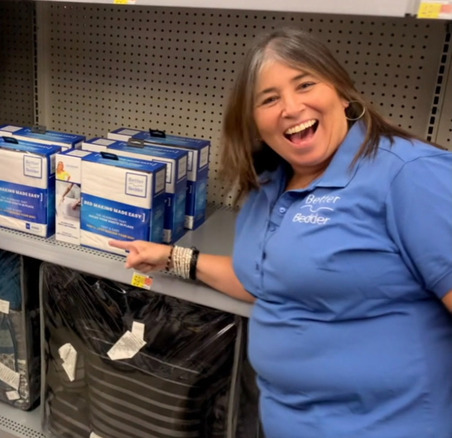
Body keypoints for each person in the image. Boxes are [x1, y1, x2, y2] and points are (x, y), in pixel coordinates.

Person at [110, 28, 452, 438]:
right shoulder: (270, 184)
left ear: (343, 93)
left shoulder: (409, 174)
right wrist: (172, 258)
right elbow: (269, 280)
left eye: (305, 85)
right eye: (269, 99)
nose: (291, 107)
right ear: (253, 120)